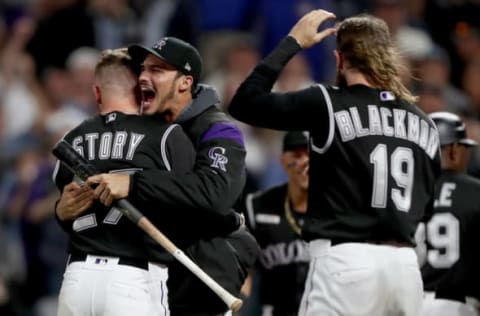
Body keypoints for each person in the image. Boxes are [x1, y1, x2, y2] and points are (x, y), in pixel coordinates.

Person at [228, 9, 441, 316]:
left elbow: (244, 102)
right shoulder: (425, 123)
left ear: (339, 59)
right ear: (387, 55)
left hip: (346, 262)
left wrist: (292, 42)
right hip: (405, 269)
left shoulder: (327, 103)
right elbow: (426, 205)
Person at [83, 37, 259, 316]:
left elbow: (216, 193)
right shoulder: (141, 129)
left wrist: (134, 183)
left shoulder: (219, 130)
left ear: (184, 82)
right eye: (142, 69)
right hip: (147, 274)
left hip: (202, 275)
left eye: (156, 71)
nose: (143, 77)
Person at [53, 48, 198, 316]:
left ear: (97, 92)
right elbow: (193, 198)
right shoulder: (166, 137)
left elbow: (64, 209)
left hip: (77, 278)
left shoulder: (72, 140)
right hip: (134, 279)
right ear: (141, 90)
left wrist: (59, 212)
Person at [417, 111, 480, 316]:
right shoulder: (476, 191)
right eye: (465, 148)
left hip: (409, 304)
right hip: (457, 307)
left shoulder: (404, 195)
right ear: (454, 150)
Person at [243, 131, 310, 316]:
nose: (305, 163)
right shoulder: (258, 206)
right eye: (297, 155)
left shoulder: (337, 209)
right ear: (282, 161)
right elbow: (245, 269)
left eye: (311, 155)